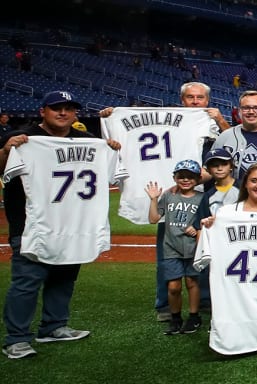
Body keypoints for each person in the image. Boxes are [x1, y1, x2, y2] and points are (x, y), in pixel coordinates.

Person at [2, 91, 120, 359]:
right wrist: (7, 150)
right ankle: (17, 338)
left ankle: (54, 326)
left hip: (74, 222)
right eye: (57, 108)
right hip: (32, 224)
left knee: (64, 277)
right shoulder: (24, 139)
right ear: (43, 110)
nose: (63, 113)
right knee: (27, 280)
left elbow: (111, 164)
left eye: (69, 109)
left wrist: (110, 148)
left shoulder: (89, 141)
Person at [146, 160, 205, 335]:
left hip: (193, 247)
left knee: (192, 282)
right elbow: (153, 219)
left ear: (198, 179)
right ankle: (176, 317)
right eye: (181, 177)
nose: (186, 180)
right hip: (171, 248)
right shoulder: (169, 196)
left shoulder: (202, 198)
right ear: (175, 178)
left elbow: (206, 220)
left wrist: (197, 228)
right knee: (173, 286)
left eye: (190, 177)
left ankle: (194, 316)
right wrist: (154, 199)